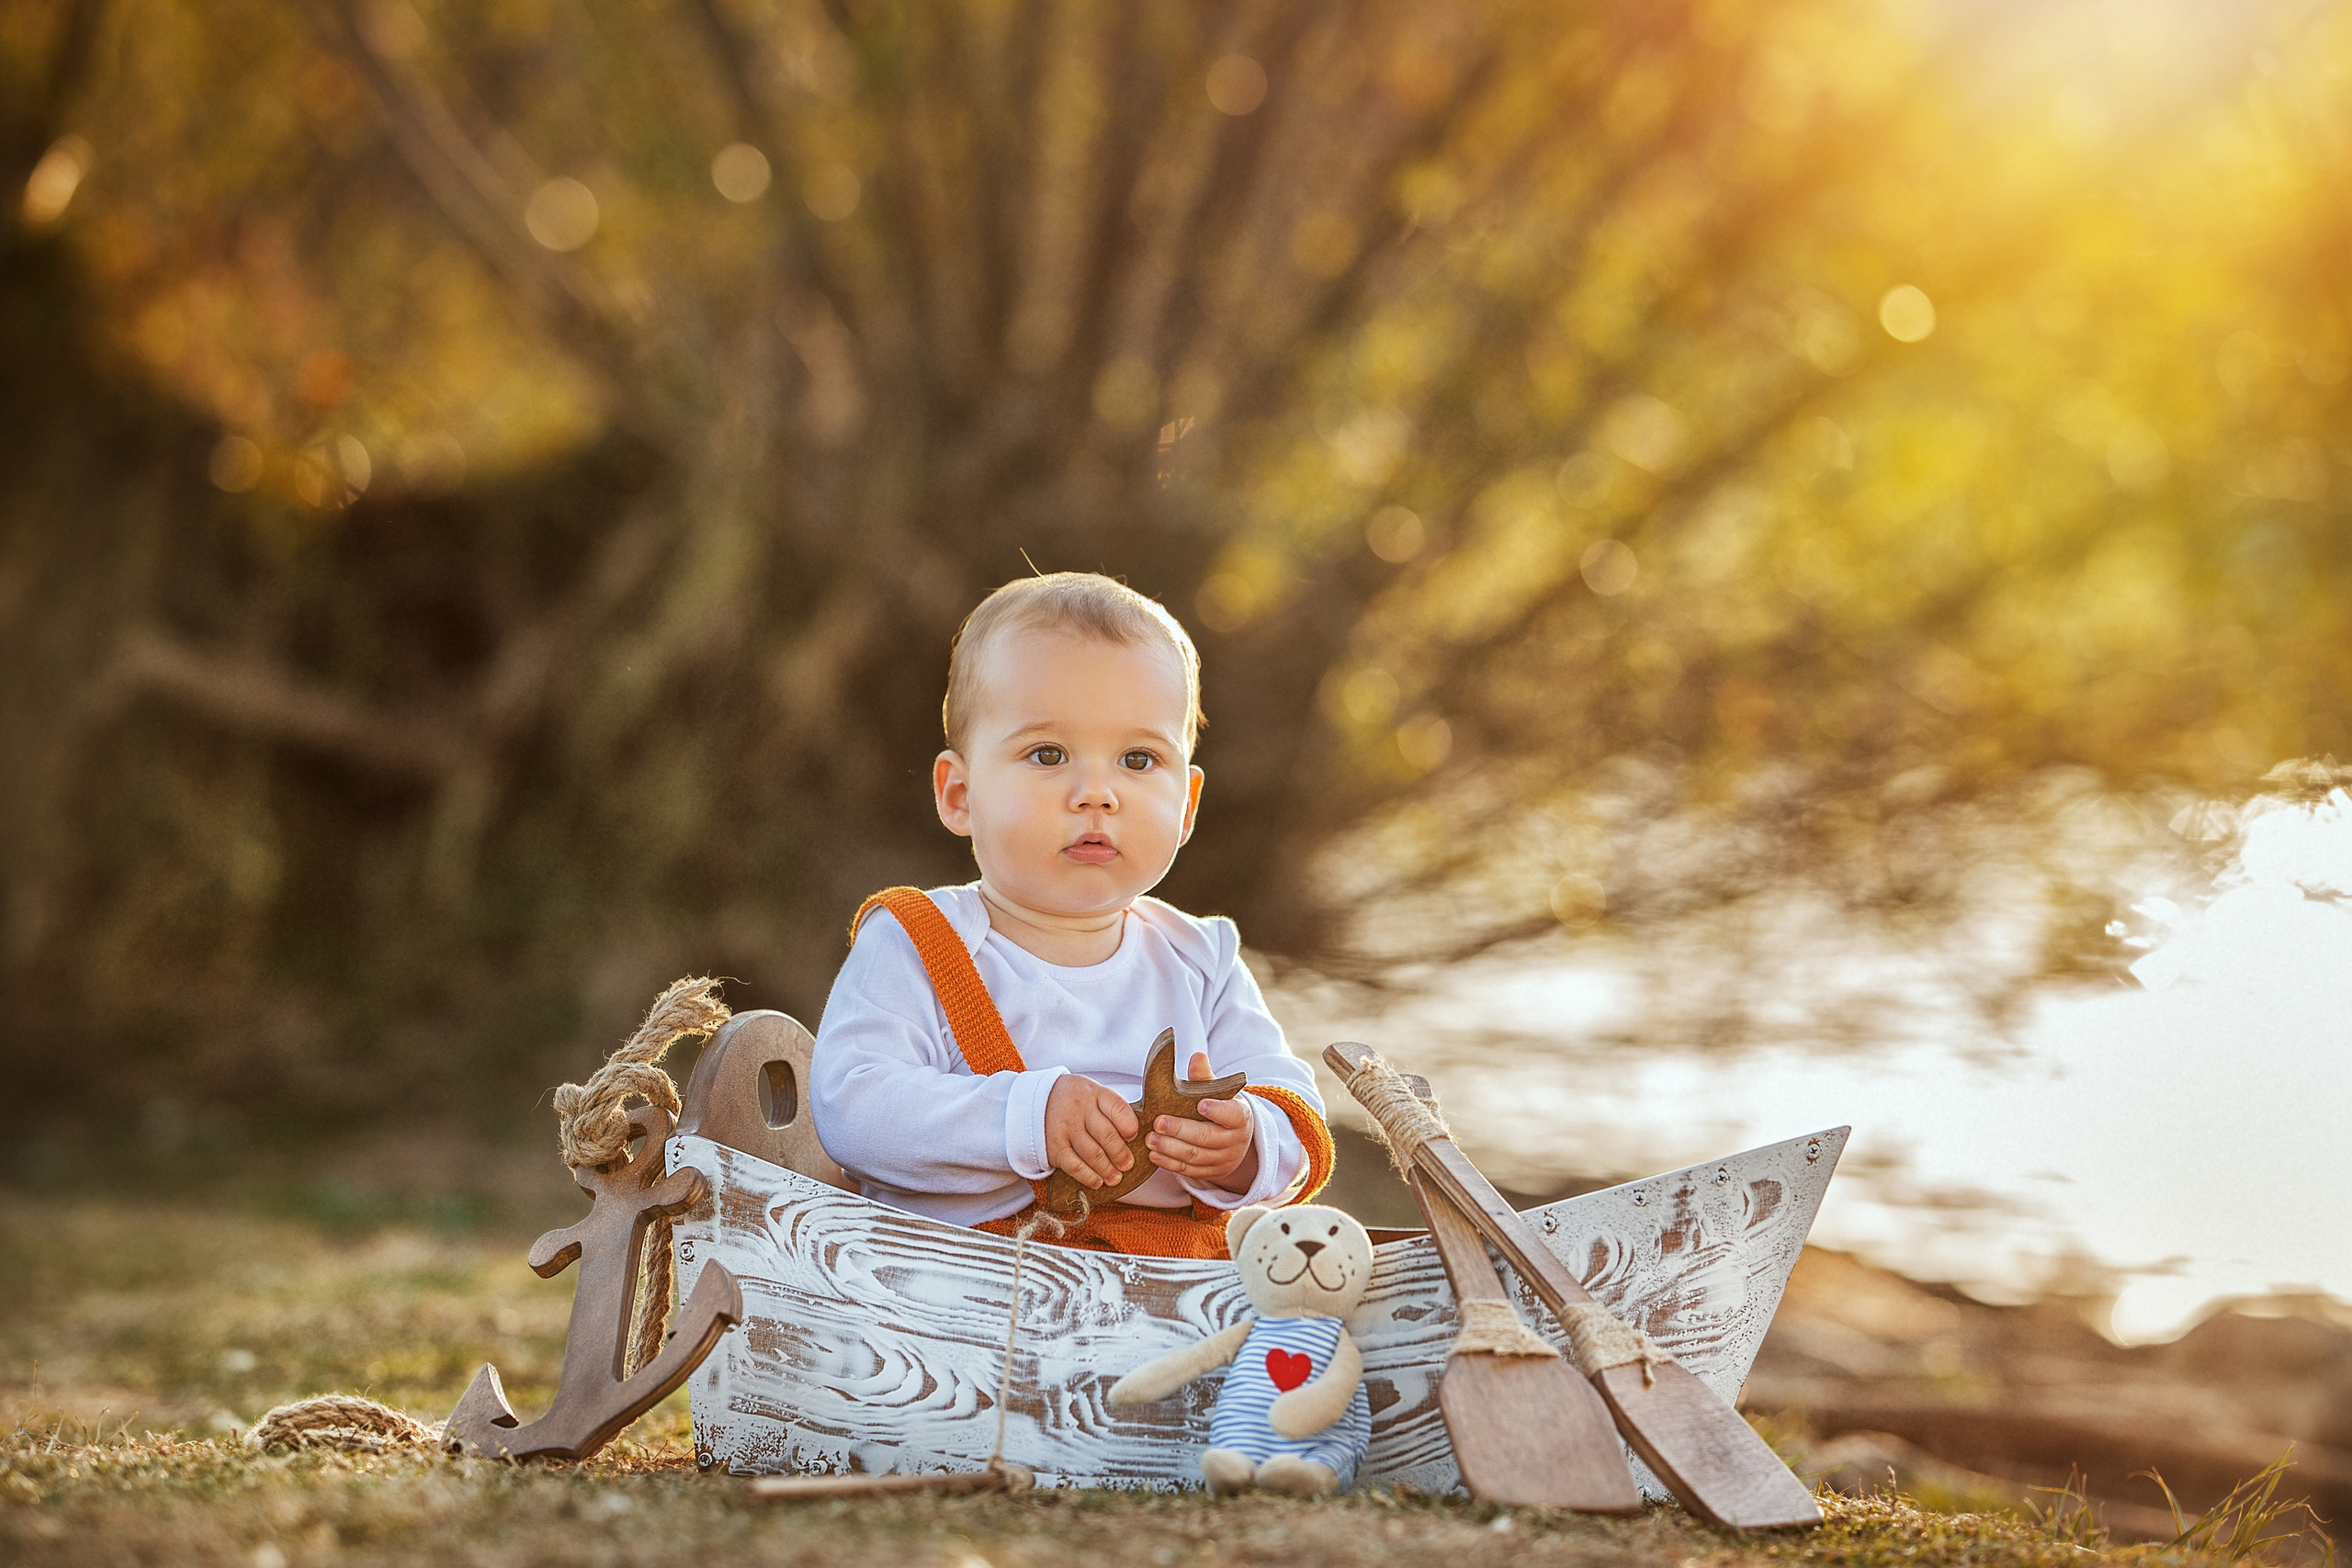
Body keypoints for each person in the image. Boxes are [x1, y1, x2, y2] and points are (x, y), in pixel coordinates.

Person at [808, 572, 1333, 1257]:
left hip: (1168, 1286)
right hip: (965, 1286)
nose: (1096, 793)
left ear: (1186, 806)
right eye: (1048, 754)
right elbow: (853, 1108)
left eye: (1138, 759)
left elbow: (1296, 1120)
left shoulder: (1202, 961)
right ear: (960, 794)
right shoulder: (918, 942)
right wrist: (1027, 1117)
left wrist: (1245, 1143)